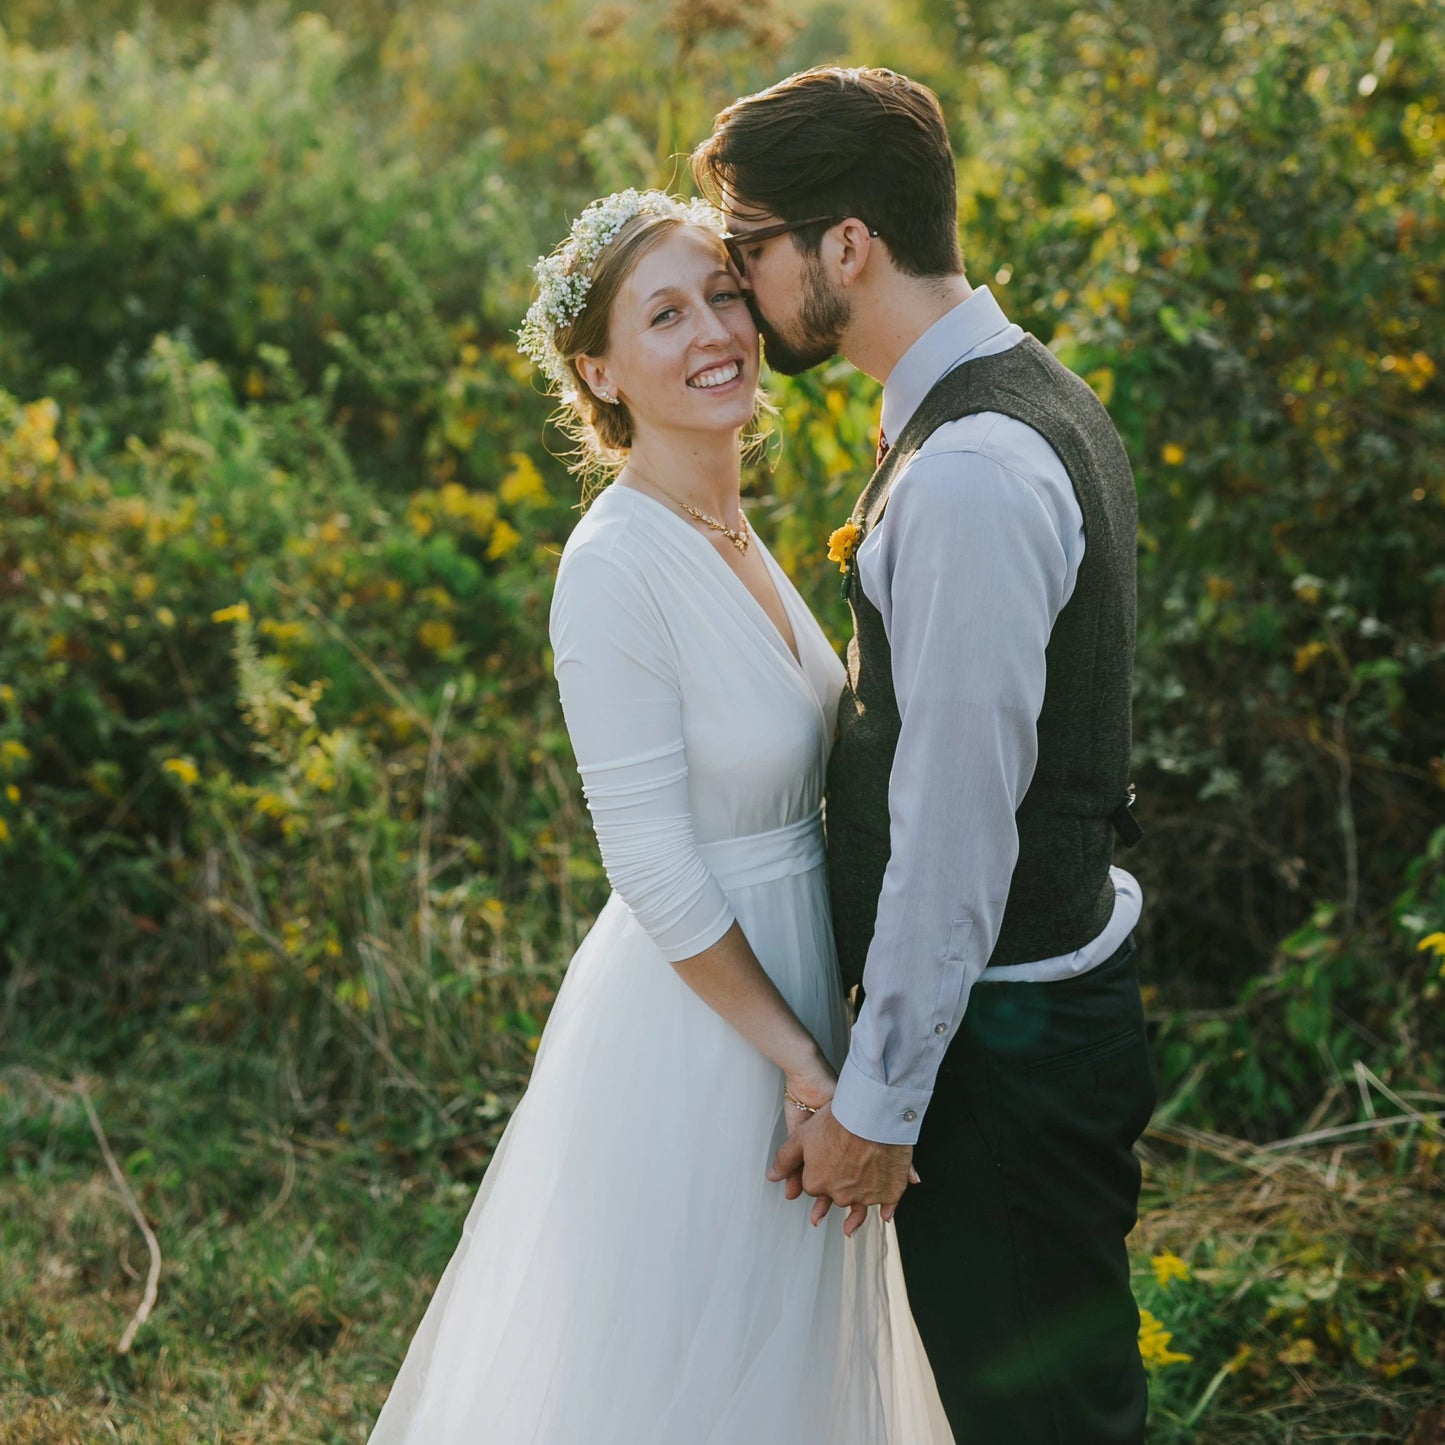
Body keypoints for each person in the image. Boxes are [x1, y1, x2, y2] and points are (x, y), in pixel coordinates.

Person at [366, 189, 952, 1444]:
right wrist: (801, 1061)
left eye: (725, 295)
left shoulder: (731, 526)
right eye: (666, 313)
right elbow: (645, 858)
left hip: (800, 985)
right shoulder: (614, 564)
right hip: (703, 1030)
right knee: (681, 1372)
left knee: (791, 1363)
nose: (715, 332)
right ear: (599, 369)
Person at [694, 66, 1157, 1445]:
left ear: (845, 245)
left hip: (1004, 1050)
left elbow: (957, 819)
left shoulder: (968, 469)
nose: (736, 285)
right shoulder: (1013, 400)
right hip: (1023, 1010)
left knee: (1048, 1424)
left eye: (747, 247)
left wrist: (883, 1107)